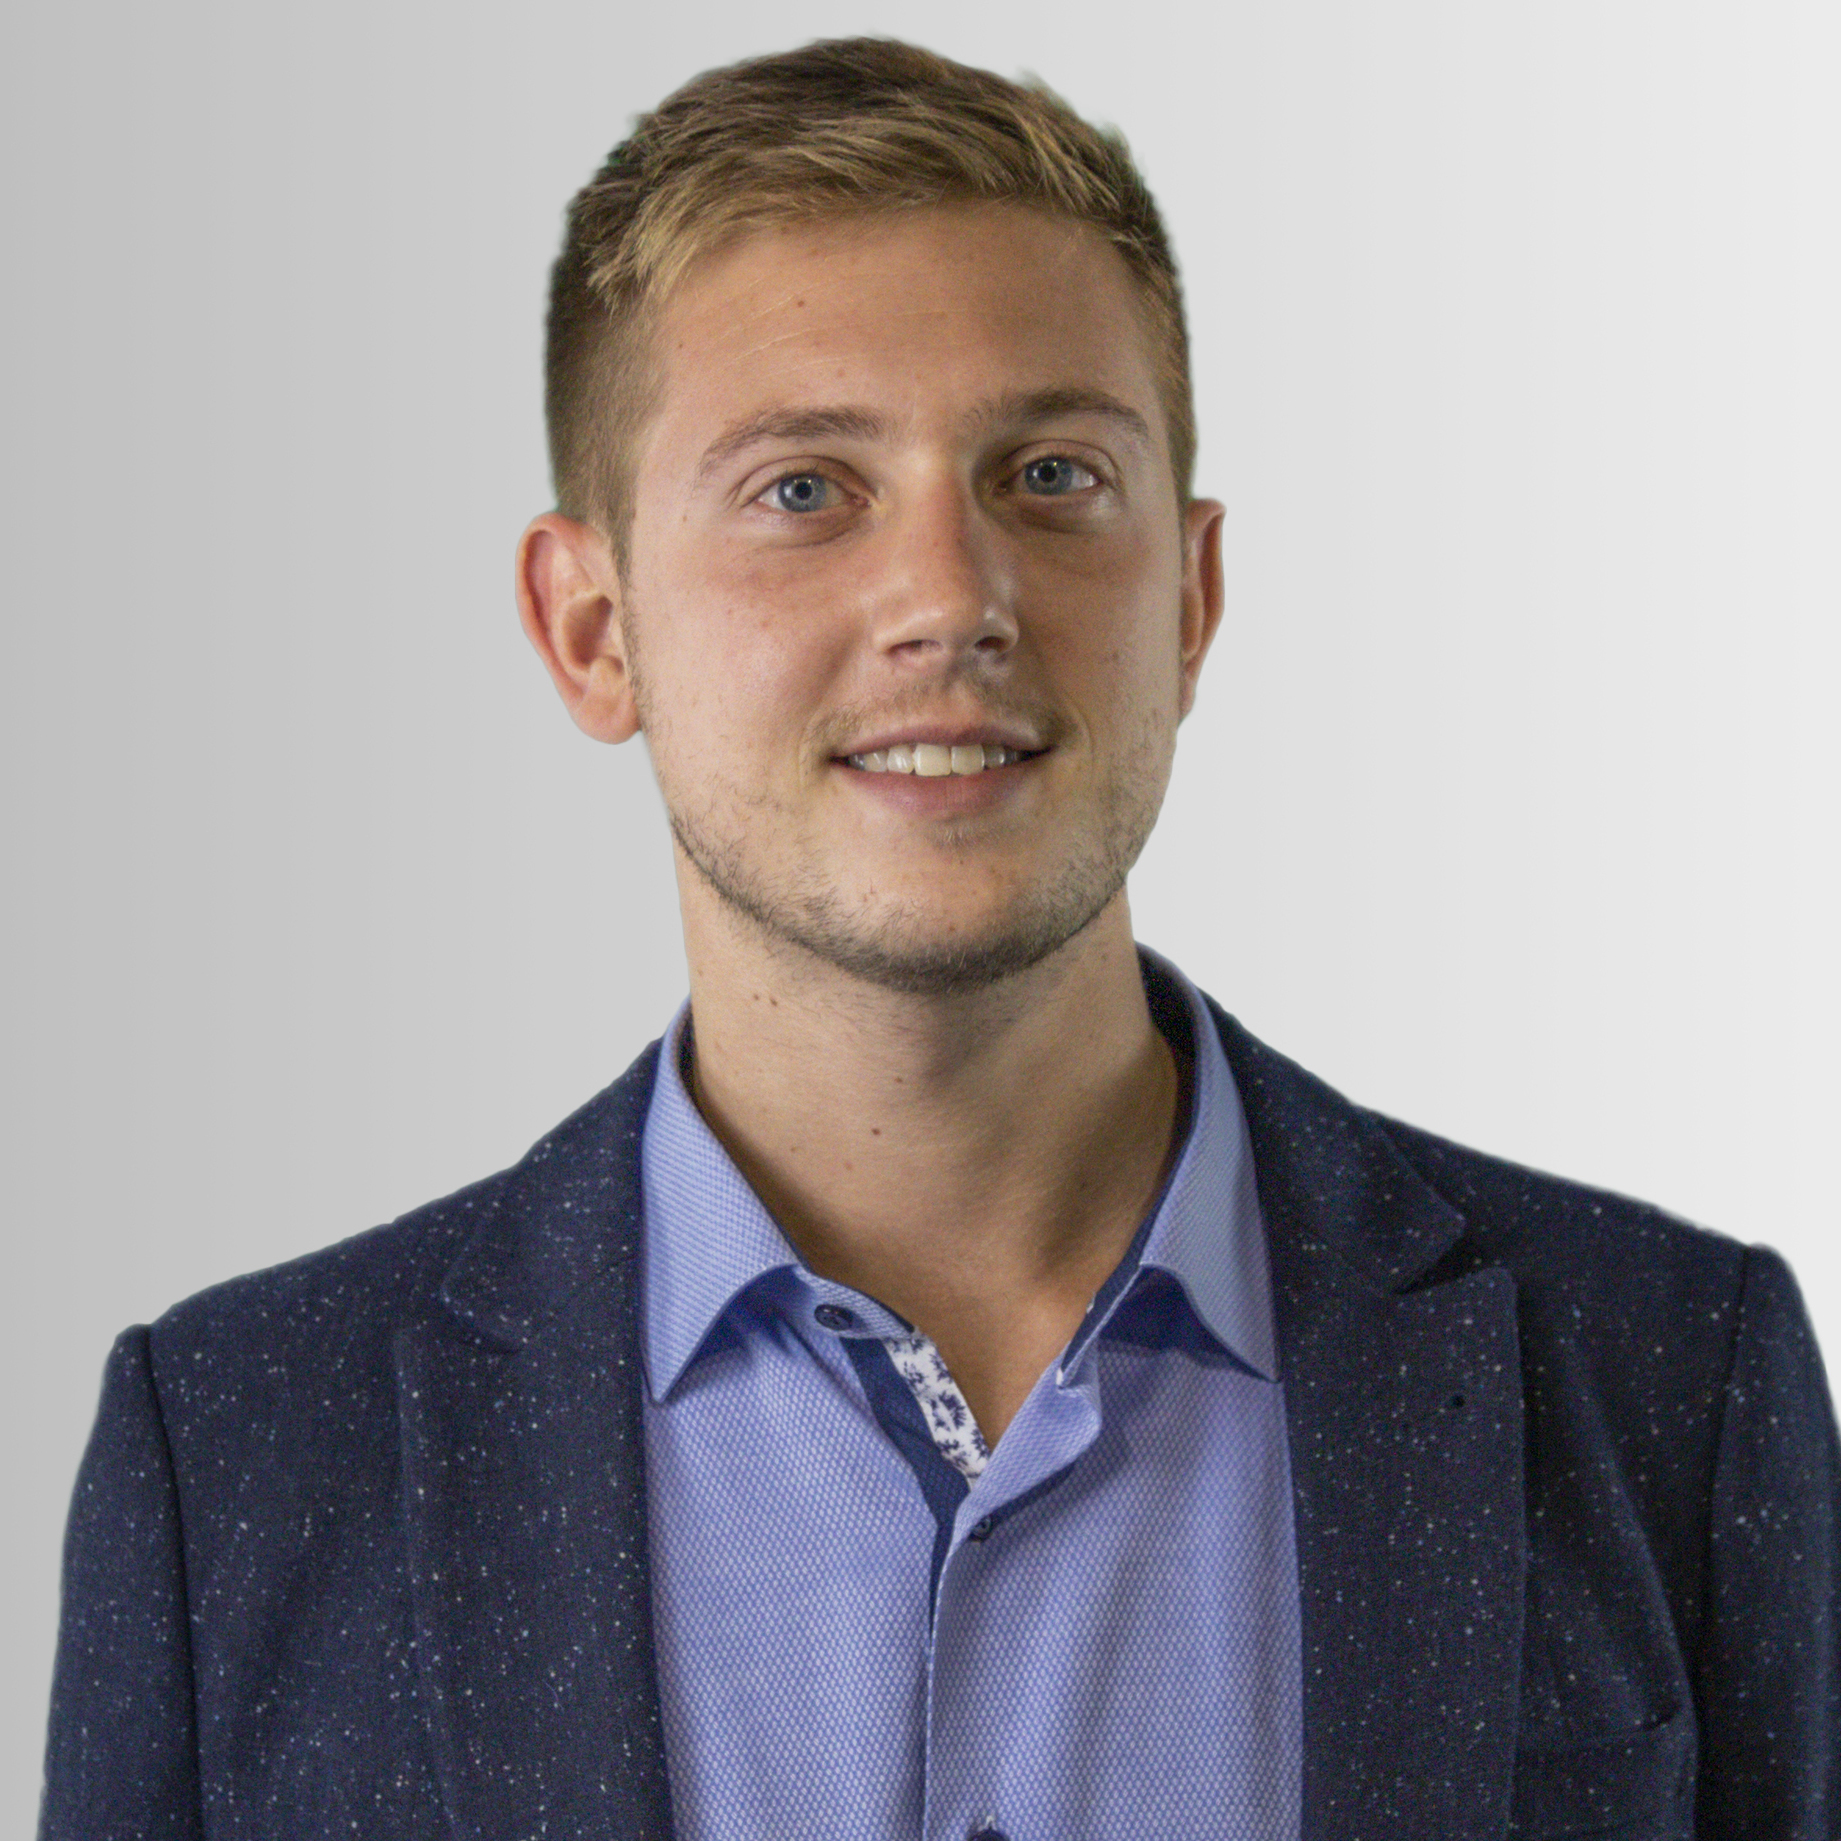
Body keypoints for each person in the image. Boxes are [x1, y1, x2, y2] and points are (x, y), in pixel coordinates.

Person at [39, 36, 1839, 1841]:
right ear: (592, 629)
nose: (950, 598)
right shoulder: (237, 1460)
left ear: (1191, 595)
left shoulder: (1673, 1388)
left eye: (1048, 474)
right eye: (803, 489)